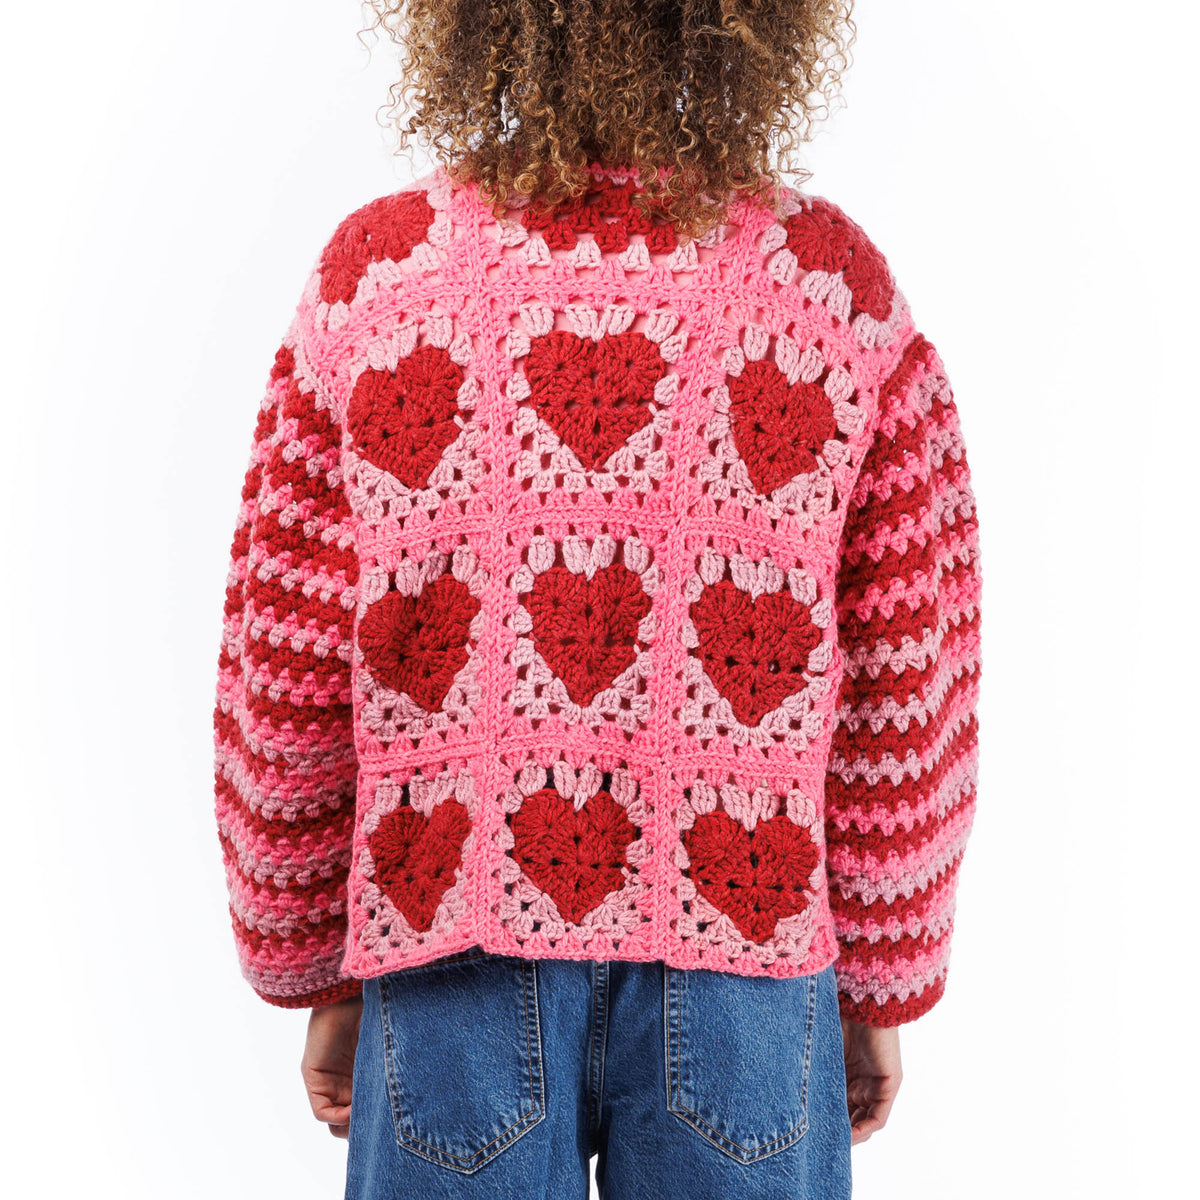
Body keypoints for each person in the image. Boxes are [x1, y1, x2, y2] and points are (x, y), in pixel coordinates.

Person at [210, 3, 982, 1197]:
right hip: (747, 949)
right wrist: (882, 978)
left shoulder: (381, 280)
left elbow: (290, 664)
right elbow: (906, 675)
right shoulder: (828, 290)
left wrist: (313, 959)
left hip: (449, 940)